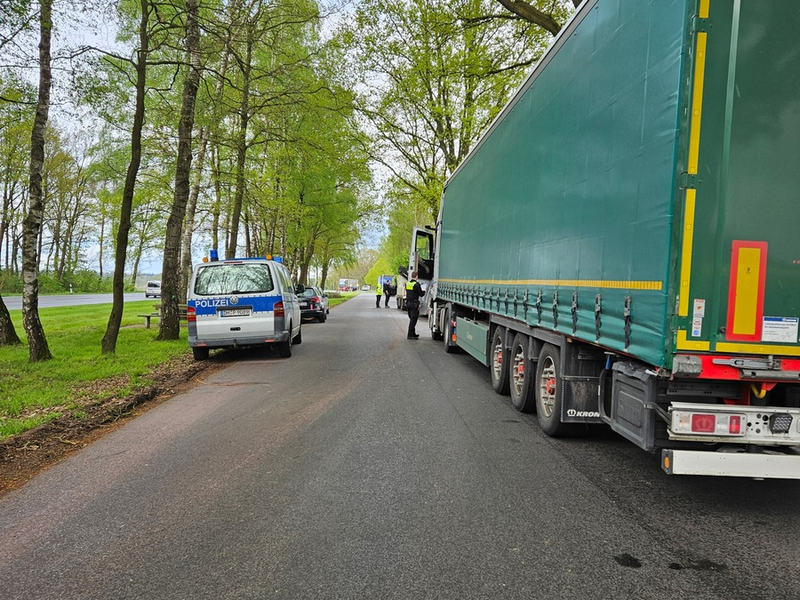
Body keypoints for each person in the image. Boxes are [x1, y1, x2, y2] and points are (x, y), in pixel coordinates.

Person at [405, 271, 423, 339]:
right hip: (414, 304)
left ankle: (413, 333)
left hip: (408, 303)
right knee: (413, 319)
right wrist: (424, 291)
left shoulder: (408, 283)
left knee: (411, 319)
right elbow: (421, 294)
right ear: (417, 276)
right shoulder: (416, 284)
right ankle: (410, 335)